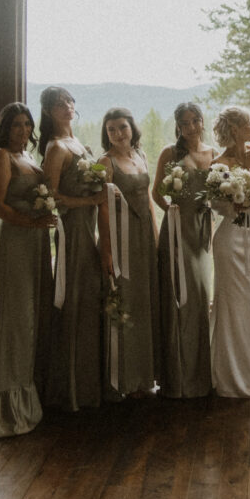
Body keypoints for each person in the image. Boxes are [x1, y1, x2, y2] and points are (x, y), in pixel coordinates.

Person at [0, 102, 57, 437]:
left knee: (32, 315)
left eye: (26, 124)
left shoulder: (29, 159)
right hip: (11, 242)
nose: (22, 131)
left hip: (34, 244)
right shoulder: (1, 157)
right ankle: (8, 408)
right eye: (16, 125)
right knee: (14, 319)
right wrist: (32, 222)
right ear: (4, 129)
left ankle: (30, 394)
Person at [40, 86, 111, 411]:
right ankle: (70, 390)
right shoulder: (55, 148)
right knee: (76, 299)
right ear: (49, 111)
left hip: (90, 227)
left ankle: (91, 383)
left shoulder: (78, 142)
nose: (67, 107)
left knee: (90, 298)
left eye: (69, 101)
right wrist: (90, 201)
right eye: (59, 104)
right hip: (73, 232)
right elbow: (51, 198)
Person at [210, 106, 250, 398]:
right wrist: (232, 204)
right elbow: (216, 206)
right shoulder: (218, 163)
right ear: (235, 128)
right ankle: (231, 377)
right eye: (249, 123)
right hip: (231, 240)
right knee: (232, 307)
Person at [152, 102, 214, 398]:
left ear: (202, 122)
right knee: (179, 297)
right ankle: (178, 378)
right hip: (177, 231)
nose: (190, 127)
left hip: (202, 232)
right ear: (178, 126)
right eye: (184, 122)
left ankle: (201, 375)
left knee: (200, 297)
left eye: (194, 120)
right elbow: (156, 193)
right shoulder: (170, 153)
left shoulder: (213, 154)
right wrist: (171, 211)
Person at [100, 107, 161, 399]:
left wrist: (156, 234)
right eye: (111, 129)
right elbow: (101, 208)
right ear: (106, 133)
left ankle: (145, 375)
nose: (118, 133)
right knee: (127, 302)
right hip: (123, 239)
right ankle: (125, 378)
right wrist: (108, 250)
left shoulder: (141, 155)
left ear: (132, 128)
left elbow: (148, 199)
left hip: (145, 237)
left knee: (145, 300)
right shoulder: (106, 162)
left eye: (122, 127)